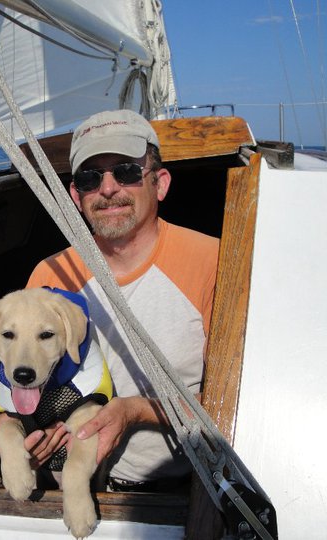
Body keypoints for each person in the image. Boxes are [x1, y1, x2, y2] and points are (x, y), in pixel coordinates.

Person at [14, 108, 219, 490]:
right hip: (72, 491)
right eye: (91, 179)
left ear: (160, 183)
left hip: (175, 494)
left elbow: (236, 401)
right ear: (76, 196)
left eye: (125, 171)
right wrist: (27, 436)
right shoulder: (49, 276)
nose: (108, 190)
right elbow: (21, 387)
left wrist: (136, 411)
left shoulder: (214, 264)